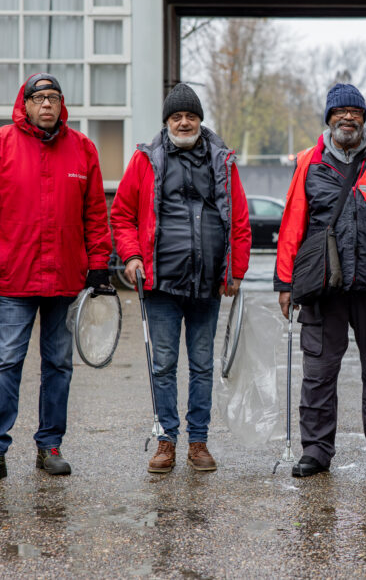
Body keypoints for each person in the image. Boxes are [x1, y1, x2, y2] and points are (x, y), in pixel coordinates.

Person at [0, 73, 113, 486]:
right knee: (6, 363)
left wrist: (99, 263)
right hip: (14, 276)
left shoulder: (83, 148)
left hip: (65, 278)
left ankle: (50, 446)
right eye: (39, 97)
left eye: (54, 98)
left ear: (62, 105)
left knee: (58, 364)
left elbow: (95, 214)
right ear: (24, 104)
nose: (47, 104)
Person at [275, 83, 366, 478]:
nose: (347, 118)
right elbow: (292, 224)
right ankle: (315, 450)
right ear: (329, 119)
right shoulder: (308, 161)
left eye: (355, 112)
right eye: (339, 112)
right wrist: (285, 283)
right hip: (322, 288)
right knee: (318, 374)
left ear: (363, 119)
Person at [110, 83, 251, 474]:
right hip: (160, 285)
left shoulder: (222, 161)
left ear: (200, 120)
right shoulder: (146, 160)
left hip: (207, 284)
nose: (184, 122)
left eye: (190, 116)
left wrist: (235, 270)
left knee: (202, 366)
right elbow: (121, 215)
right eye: (176, 117)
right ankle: (166, 441)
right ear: (167, 122)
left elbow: (239, 220)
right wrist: (132, 256)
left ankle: (199, 442)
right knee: (163, 366)